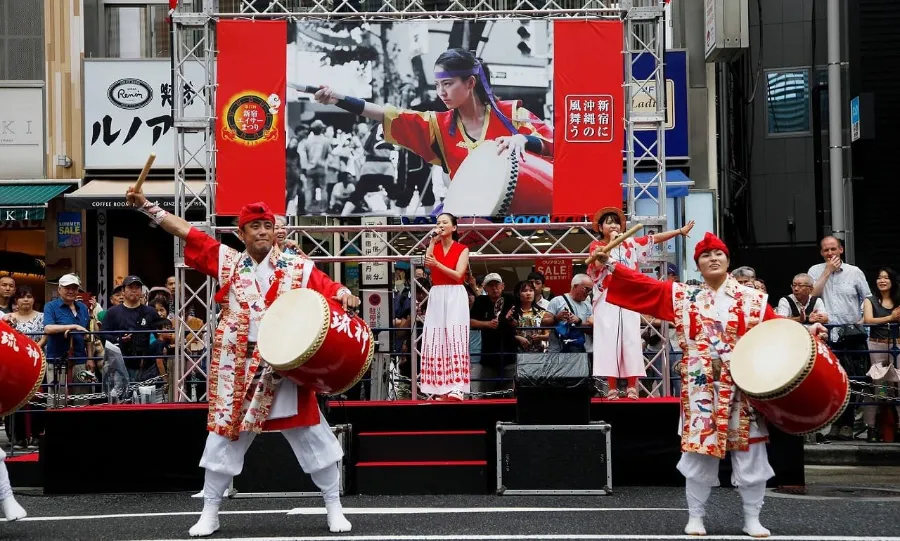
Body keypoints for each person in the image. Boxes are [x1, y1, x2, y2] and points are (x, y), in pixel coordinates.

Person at [124, 186, 357, 537]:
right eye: (254, 226)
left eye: (267, 226)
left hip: (283, 367)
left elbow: (330, 288)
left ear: (275, 230)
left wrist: (345, 293)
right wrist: (146, 207)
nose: (262, 232)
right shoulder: (227, 261)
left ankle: (334, 507)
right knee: (223, 439)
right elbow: (186, 231)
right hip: (237, 368)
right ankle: (210, 512)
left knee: (312, 434)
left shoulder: (298, 266)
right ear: (241, 233)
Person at [588, 232, 826, 537]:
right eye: (705, 256)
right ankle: (696, 516)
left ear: (727, 260)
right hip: (701, 388)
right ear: (698, 264)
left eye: (718, 254)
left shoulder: (753, 299)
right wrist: (610, 264)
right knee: (699, 455)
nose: (713, 259)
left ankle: (752, 518)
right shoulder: (683, 296)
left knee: (751, 454)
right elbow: (643, 286)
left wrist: (807, 330)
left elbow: (775, 329)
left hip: (742, 387)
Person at [312, 48, 552, 213]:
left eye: (448, 83)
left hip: (524, 213)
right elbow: (386, 114)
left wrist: (524, 139)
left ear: (470, 83)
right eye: (437, 85)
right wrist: (337, 98)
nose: (441, 92)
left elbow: (557, 144)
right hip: (468, 216)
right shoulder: (439, 125)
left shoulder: (512, 115)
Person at [586, 206, 694, 400]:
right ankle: (611, 387)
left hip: (630, 296)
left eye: (616, 222)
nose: (613, 226)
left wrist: (679, 231)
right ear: (600, 228)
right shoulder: (596, 246)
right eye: (608, 223)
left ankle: (632, 386)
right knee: (608, 339)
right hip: (607, 295)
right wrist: (610, 245)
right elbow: (597, 265)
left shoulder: (630, 243)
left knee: (631, 339)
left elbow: (654, 239)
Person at [421, 213, 471, 400]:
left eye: (444, 222)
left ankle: (457, 387)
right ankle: (440, 388)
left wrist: (438, 264)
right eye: (438, 223)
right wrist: (432, 243)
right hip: (437, 293)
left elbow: (458, 275)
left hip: (455, 293)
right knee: (436, 337)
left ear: (454, 227)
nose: (440, 225)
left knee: (455, 336)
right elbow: (427, 265)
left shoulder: (462, 249)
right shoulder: (433, 246)